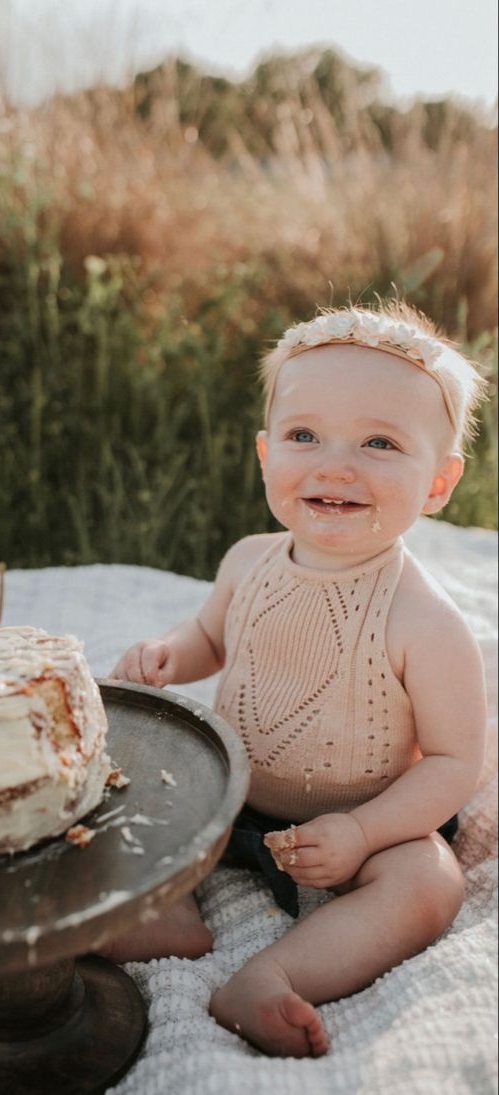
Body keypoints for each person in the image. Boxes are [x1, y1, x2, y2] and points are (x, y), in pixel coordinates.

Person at [107, 302, 488, 1059]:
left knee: (429, 882)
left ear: (439, 483)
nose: (334, 465)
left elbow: (453, 763)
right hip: (229, 788)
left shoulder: (426, 622)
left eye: (379, 442)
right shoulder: (248, 560)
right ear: (263, 454)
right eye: (303, 435)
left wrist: (360, 832)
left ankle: (273, 972)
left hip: (367, 814)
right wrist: (169, 655)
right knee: (127, 775)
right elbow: (210, 636)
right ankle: (165, 911)